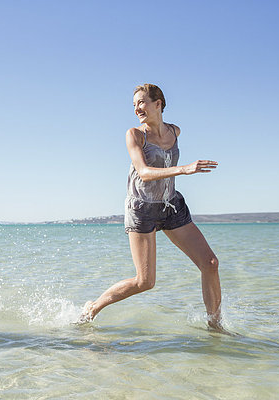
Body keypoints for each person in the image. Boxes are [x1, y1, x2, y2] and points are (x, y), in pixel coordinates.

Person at [79, 84, 224, 332]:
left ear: (158, 104)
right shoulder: (135, 135)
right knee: (145, 282)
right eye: (134, 104)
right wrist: (183, 168)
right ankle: (93, 308)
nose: (137, 108)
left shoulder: (175, 131)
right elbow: (144, 173)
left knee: (210, 263)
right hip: (142, 209)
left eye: (142, 102)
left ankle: (215, 328)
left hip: (171, 205)